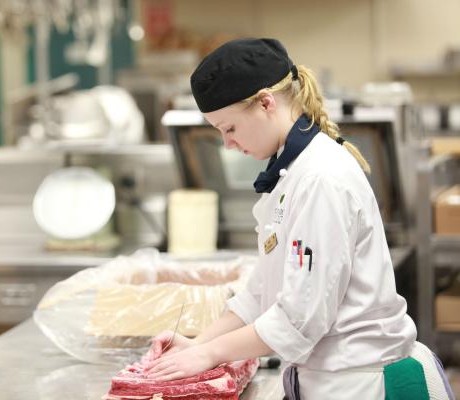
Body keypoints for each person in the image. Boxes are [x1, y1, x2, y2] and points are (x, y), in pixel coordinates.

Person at [143, 38, 455, 399]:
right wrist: (196, 343)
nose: (227, 144)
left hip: (364, 384)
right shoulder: (290, 172)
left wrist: (208, 355)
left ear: (265, 102)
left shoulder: (321, 177)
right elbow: (262, 292)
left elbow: (299, 321)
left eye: (229, 129)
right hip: (331, 380)